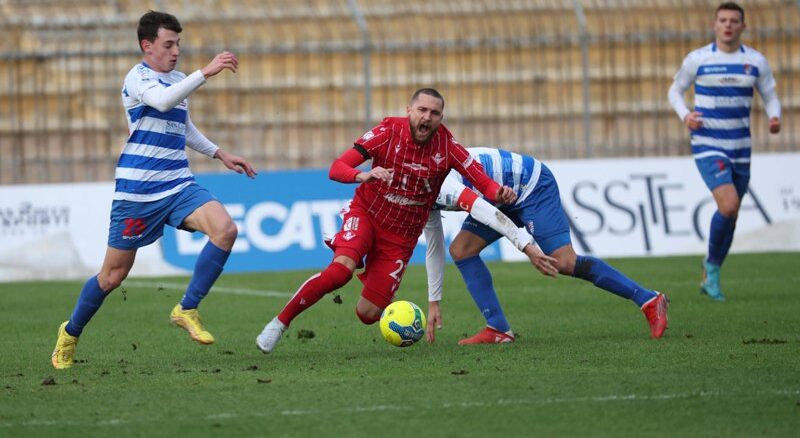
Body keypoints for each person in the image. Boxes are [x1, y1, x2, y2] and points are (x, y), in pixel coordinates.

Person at [50, 10, 256, 369]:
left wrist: (219, 153)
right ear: (148, 46)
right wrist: (205, 71)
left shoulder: (178, 79)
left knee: (225, 230)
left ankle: (187, 307)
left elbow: (183, 126)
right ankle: (70, 332)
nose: (176, 50)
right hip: (138, 191)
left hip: (177, 183)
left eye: (178, 43)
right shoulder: (138, 78)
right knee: (112, 277)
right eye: (169, 44)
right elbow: (162, 102)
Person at [255, 88, 517, 353]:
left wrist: (500, 193)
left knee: (368, 313)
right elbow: (337, 168)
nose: (426, 117)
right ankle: (280, 323)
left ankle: (370, 275)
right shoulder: (387, 133)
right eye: (422, 110)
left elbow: (485, 183)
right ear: (409, 111)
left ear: (441, 117)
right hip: (367, 214)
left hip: (401, 239)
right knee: (341, 271)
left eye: (434, 113)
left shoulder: (448, 148)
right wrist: (363, 176)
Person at [424, 147, 669, 344]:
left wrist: (528, 248)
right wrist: (434, 301)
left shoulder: (439, 183)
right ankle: (498, 329)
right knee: (461, 250)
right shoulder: (418, 193)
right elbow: (434, 243)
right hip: (497, 197)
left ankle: (648, 299)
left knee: (564, 262)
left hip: (531, 185)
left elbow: (486, 212)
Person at [668, 2, 781, 301]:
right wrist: (685, 115)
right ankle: (712, 271)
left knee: (731, 214)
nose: (728, 25)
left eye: (734, 21)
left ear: (743, 26)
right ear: (715, 25)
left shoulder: (755, 62)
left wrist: (774, 116)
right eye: (723, 20)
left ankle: (711, 271)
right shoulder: (699, 59)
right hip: (708, 143)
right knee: (728, 205)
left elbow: (770, 95)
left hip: (741, 148)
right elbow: (674, 91)